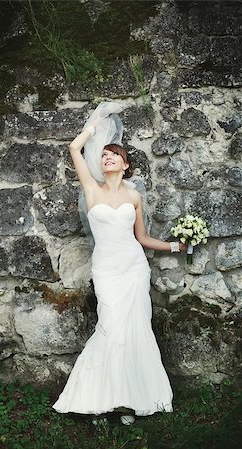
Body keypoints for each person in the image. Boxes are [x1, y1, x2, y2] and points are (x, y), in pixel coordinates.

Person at [52, 103, 185, 426]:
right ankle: (97, 399)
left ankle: (130, 402)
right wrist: (94, 127)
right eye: (104, 155)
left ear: (125, 166)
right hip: (107, 270)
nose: (107, 158)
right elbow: (74, 147)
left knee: (135, 330)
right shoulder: (92, 190)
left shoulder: (134, 197)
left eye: (114, 155)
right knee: (109, 328)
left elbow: (142, 237)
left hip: (134, 268)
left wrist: (174, 245)